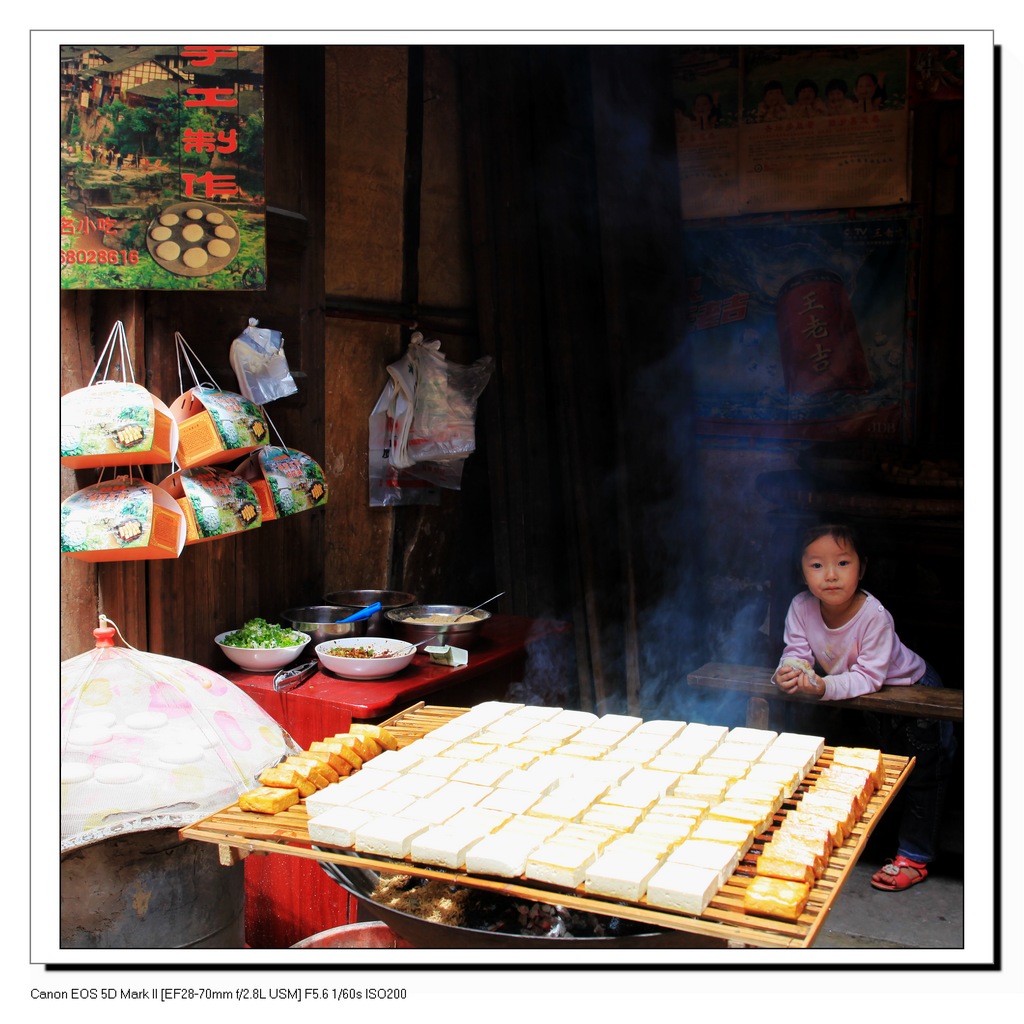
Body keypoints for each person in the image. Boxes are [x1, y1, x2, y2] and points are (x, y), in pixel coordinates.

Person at [772, 522, 956, 891]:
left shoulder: (874, 615)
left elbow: (869, 677)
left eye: (842, 563)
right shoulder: (801, 607)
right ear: (802, 571)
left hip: (912, 693)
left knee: (923, 775)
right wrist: (787, 671)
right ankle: (864, 840)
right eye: (817, 565)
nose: (831, 575)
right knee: (872, 768)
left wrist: (822, 686)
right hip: (867, 700)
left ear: (862, 568)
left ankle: (914, 857)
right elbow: (796, 652)